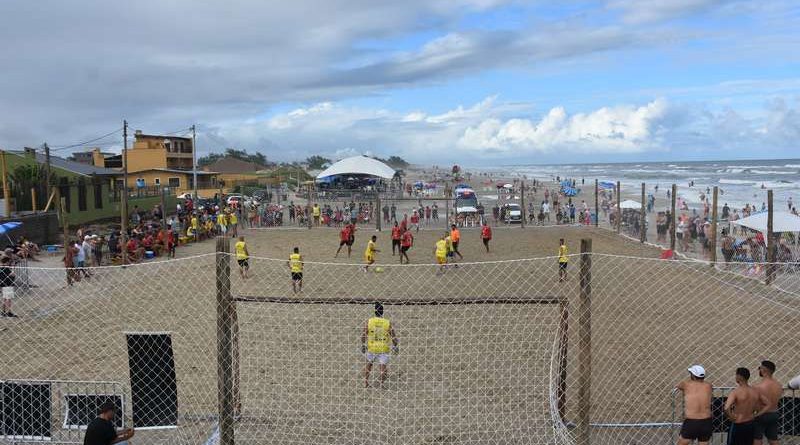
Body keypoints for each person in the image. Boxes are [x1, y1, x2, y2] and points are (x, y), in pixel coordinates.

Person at [724, 367, 770, 445]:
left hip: (738, 423)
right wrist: (757, 415)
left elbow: (726, 408)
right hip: (750, 423)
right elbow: (768, 404)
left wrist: (731, 416)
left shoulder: (736, 392)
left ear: (739, 377)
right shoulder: (755, 391)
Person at [361, 302, 398, 388]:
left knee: (368, 365)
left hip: (372, 347)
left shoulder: (369, 321)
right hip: (383, 348)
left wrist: (363, 344)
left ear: (374, 311)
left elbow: (363, 335)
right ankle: (382, 384)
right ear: (382, 312)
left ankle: (365, 383)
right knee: (383, 368)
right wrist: (395, 345)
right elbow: (393, 336)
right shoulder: (387, 323)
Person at [676, 365, 712, 445]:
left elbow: (678, 386)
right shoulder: (709, 386)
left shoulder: (686, 384)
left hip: (692, 421)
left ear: (693, 375)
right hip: (706, 421)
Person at [753, 360, 782, 445]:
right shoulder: (778, 385)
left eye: (759, 368)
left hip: (762, 415)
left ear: (763, 370)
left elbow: (755, 403)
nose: (759, 371)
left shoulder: (759, 387)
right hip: (774, 413)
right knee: (773, 439)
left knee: (757, 439)